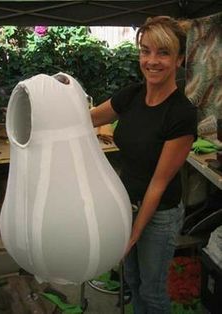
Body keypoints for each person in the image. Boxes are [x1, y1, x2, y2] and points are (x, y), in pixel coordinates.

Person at [91, 16, 197, 314]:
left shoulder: (181, 114)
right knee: (134, 281)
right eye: (145, 50)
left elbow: (158, 184)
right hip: (127, 203)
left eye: (163, 53)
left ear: (179, 59)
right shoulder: (132, 94)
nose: (152, 61)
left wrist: (134, 233)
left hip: (159, 214)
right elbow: (87, 119)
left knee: (152, 292)